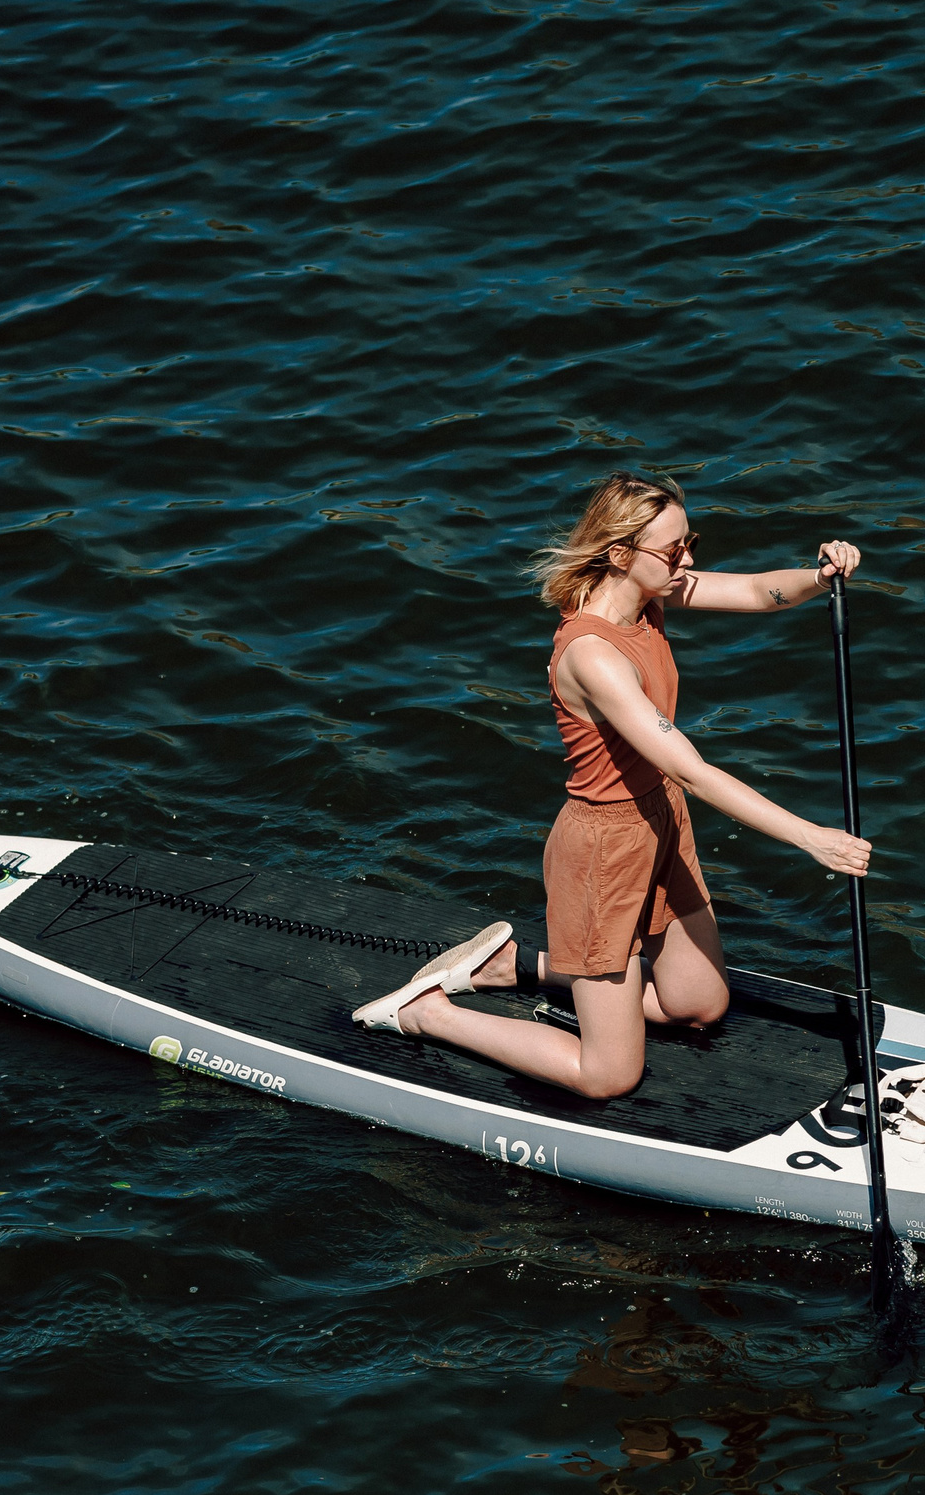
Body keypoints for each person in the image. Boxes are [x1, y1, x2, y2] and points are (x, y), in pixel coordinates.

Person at [350, 470, 871, 1097]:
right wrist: (811, 838)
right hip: (604, 848)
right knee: (609, 1075)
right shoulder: (592, 653)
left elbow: (760, 592)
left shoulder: (649, 596)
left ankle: (511, 965)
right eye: (673, 550)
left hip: (662, 820)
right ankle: (427, 1012)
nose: (687, 560)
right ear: (621, 554)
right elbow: (691, 770)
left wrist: (819, 577)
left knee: (699, 1004)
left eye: (689, 542)